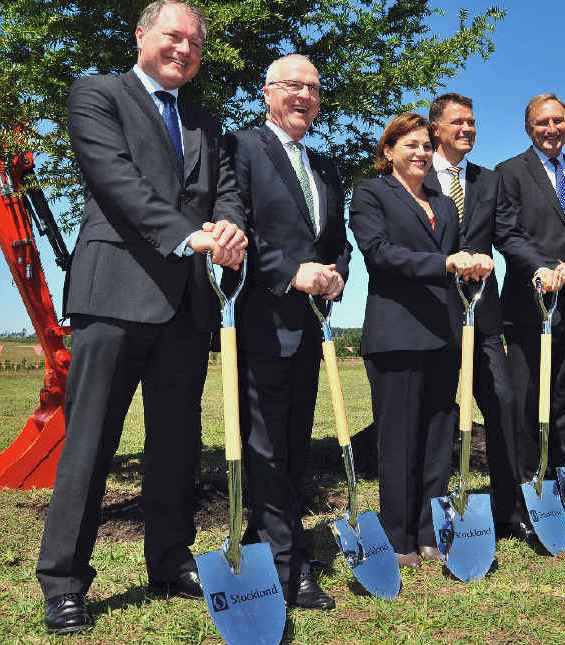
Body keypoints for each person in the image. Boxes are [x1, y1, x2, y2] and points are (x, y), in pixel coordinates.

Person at [35, 0, 247, 634]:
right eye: (172, 36)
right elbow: (116, 180)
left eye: (194, 43)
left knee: (176, 444)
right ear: (142, 35)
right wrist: (191, 236)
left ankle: (169, 558)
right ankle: (65, 581)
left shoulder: (208, 124)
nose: (183, 49)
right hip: (113, 295)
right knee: (90, 441)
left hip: (185, 303)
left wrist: (231, 228)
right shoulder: (97, 95)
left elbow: (227, 189)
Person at [226, 54, 351, 610]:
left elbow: (337, 239)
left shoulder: (325, 165)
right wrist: (289, 272)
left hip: (310, 328)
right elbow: (239, 227)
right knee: (267, 446)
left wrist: (338, 272)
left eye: (314, 89)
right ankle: (287, 564)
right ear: (268, 92)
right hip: (263, 321)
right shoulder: (242, 148)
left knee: (295, 443)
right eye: (293, 86)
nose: (304, 96)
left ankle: (268, 534)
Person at [349, 112, 492, 569]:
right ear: (388, 151)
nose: (421, 153)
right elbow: (379, 254)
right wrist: (445, 264)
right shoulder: (371, 193)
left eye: (427, 146)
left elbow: (458, 250)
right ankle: (398, 538)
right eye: (410, 145)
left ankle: (432, 530)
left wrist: (474, 262)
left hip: (443, 333)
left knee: (437, 436)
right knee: (399, 440)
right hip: (396, 336)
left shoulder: (444, 203)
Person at [424, 93, 547, 543]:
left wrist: (539, 266)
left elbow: (509, 235)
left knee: (503, 405)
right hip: (434, 318)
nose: (468, 129)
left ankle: (510, 511)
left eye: (472, 122)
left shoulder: (488, 180)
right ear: (436, 128)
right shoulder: (417, 176)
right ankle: (435, 517)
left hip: (484, 316)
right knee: (437, 415)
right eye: (458, 122)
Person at [495, 93, 565, 490]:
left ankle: (559, 476)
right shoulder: (508, 173)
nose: (551, 129)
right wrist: (547, 269)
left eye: (558, 121)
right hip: (529, 306)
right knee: (527, 399)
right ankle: (528, 482)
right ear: (529, 128)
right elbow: (508, 233)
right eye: (542, 122)